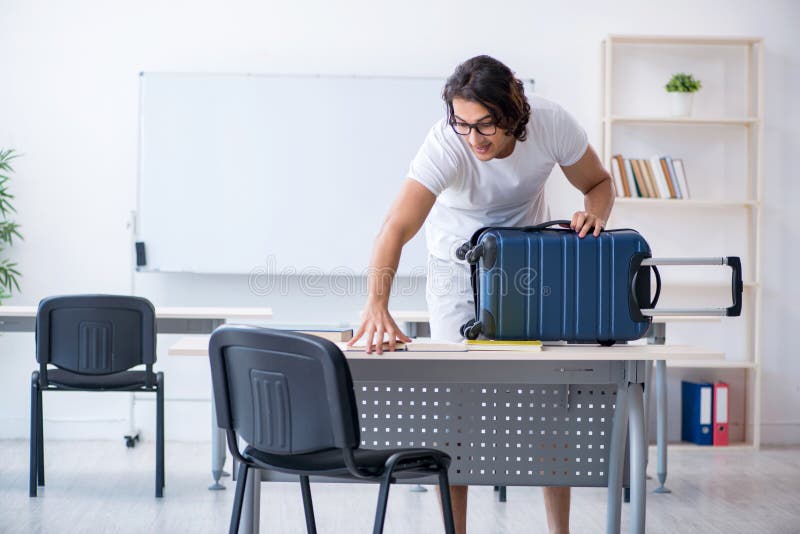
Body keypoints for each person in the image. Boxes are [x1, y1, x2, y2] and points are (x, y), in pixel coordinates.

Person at [349, 55, 614, 534]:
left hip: (529, 265)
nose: (473, 138)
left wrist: (595, 214)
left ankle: (561, 530)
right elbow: (395, 226)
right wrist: (376, 303)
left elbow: (598, 182)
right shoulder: (446, 143)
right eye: (463, 124)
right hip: (456, 271)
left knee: (547, 404)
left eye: (486, 125)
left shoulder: (551, 123)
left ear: (514, 113)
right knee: (457, 412)